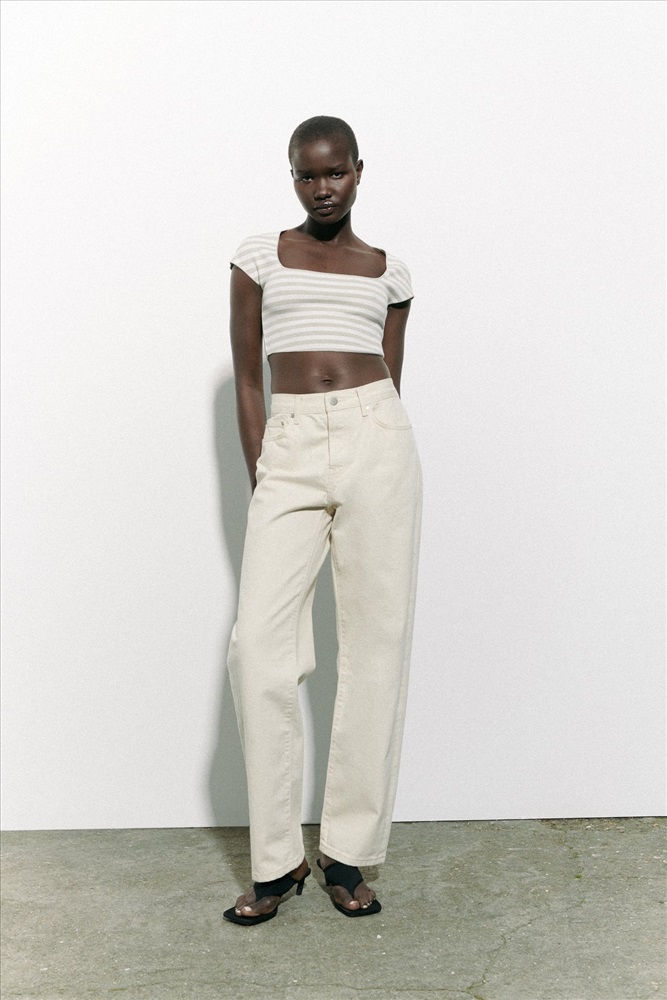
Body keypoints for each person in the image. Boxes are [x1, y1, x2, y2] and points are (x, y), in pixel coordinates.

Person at [223, 116, 422, 925]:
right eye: (306, 176)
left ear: (358, 170)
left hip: (378, 440)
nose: (322, 188)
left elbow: (390, 377)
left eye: (334, 172)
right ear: (292, 178)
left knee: (377, 645)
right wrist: (265, 469)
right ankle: (277, 863)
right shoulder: (259, 256)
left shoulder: (388, 271)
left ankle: (345, 854)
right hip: (291, 444)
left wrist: (370, 437)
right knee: (258, 651)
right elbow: (247, 379)